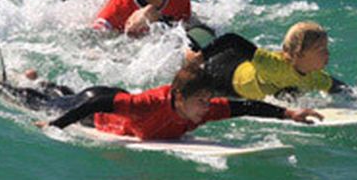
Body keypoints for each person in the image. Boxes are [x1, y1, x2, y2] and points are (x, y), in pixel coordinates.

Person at [32, 61, 322, 140]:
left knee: (62, 94)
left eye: (209, 100)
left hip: (113, 97)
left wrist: (289, 114)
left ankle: (42, 80)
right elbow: (97, 104)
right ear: (179, 98)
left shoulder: (202, 109)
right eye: (201, 101)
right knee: (45, 103)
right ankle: (7, 85)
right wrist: (55, 125)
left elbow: (244, 107)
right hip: (94, 109)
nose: (207, 106)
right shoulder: (146, 105)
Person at [195, 21, 350, 101]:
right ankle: (195, 35)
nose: (327, 53)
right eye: (320, 50)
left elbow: (336, 86)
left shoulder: (313, 77)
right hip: (225, 73)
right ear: (299, 54)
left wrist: (354, 101)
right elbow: (232, 40)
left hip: (249, 78)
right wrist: (198, 58)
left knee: (292, 93)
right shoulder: (274, 65)